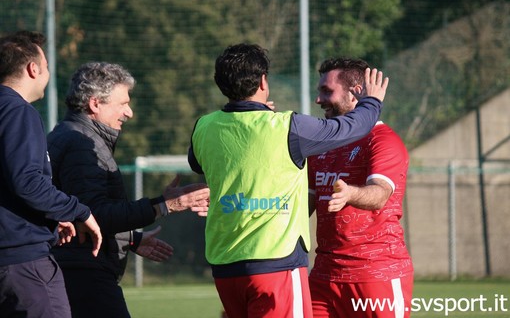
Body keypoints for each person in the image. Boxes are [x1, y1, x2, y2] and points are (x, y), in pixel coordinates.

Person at [188, 43, 389, 318]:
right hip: (275, 264)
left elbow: (200, 162)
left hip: (225, 266)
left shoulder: (203, 126)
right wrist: (372, 101)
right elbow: (352, 127)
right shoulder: (287, 127)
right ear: (262, 81)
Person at [46, 62, 210, 318]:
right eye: (122, 103)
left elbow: (83, 212)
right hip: (85, 274)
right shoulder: (82, 144)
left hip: (76, 269)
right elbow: (93, 214)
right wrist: (165, 205)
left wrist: (129, 239)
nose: (129, 112)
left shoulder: (70, 134)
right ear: (95, 103)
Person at [0, 31, 102, 318]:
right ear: (33, 69)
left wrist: (51, 215)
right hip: (22, 265)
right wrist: (78, 211)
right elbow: (27, 182)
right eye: (46, 66)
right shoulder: (18, 111)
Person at [307, 57, 413, 318]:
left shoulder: (383, 140)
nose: (318, 100)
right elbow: (302, 204)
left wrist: (351, 193)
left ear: (356, 93)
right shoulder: (322, 144)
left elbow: (380, 194)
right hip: (323, 276)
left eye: (326, 91)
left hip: (375, 274)